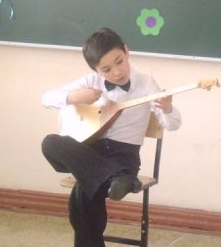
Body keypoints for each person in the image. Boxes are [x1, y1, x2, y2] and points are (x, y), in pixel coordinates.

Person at [41, 27, 182, 247]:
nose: (117, 72)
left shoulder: (146, 84)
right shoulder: (92, 81)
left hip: (123, 156)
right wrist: (76, 96)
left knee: (84, 191)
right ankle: (118, 177)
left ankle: (116, 176)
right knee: (50, 143)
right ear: (95, 70)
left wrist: (167, 108)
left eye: (119, 62)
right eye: (106, 69)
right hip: (91, 155)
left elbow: (172, 125)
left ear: (126, 51)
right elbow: (46, 99)